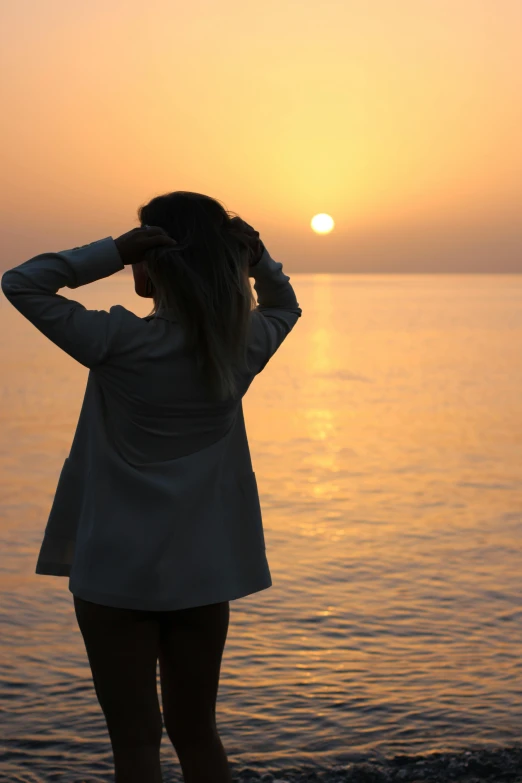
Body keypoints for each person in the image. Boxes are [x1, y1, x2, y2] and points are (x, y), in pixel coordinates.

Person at [1, 190, 303, 782]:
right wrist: (258, 258)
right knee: (198, 734)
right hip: (203, 571)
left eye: (142, 248)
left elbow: (21, 283)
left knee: (136, 744)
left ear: (154, 260)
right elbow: (285, 306)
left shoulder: (119, 342)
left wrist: (111, 251)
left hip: (115, 572)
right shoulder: (239, 347)